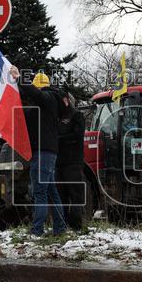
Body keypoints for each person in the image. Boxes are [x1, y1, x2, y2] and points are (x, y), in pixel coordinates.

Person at [11, 68, 67, 236]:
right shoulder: (46, 107)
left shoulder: (48, 98)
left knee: (39, 193)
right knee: (51, 192)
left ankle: (37, 230)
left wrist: (19, 78)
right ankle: (60, 227)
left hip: (43, 153)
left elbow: (36, 95)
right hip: (47, 153)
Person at [56, 90, 87, 231]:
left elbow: (77, 135)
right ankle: (62, 224)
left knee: (75, 194)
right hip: (59, 162)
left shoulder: (77, 115)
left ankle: (76, 226)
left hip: (73, 161)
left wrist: (58, 139)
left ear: (67, 100)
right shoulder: (58, 117)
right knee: (61, 194)